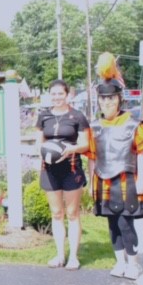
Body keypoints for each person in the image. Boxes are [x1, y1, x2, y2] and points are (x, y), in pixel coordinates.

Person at [88, 52, 143, 280]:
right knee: (112, 225)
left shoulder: (133, 125)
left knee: (125, 224)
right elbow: (92, 156)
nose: (107, 102)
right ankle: (119, 263)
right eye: (104, 99)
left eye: (112, 99)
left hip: (126, 181)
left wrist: (141, 181)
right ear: (99, 100)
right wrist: (91, 183)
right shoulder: (95, 126)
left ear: (120, 99)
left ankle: (134, 264)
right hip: (103, 180)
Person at [36, 79, 90, 270]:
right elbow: (39, 141)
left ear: (68, 95)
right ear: (49, 95)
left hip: (71, 169)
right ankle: (59, 255)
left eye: (61, 93)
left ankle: (73, 257)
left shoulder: (77, 117)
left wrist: (70, 149)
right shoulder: (44, 116)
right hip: (49, 170)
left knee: (72, 213)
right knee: (57, 213)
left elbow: (86, 144)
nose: (57, 97)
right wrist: (44, 150)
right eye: (54, 94)